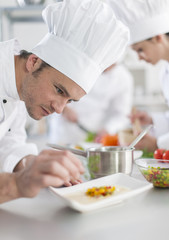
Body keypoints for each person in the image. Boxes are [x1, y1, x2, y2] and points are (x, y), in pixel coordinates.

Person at [0, 0, 129, 203]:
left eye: (69, 101)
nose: (59, 110)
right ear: (34, 62)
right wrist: (17, 184)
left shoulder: (18, 87)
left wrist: (36, 166)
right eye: (59, 90)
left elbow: (9, 144)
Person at [105, 0, 169, 151]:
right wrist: (153, 120)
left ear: (157, 37)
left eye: (140, 49)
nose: (139, 57)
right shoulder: (164, 73)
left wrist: (158, 144)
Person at [47, 63, 134, 145]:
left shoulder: (123, 77)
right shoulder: (78, 64)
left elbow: (121, 114)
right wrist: (64, 108)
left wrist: (108, 129)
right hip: (64, 130)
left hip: (95, 134)